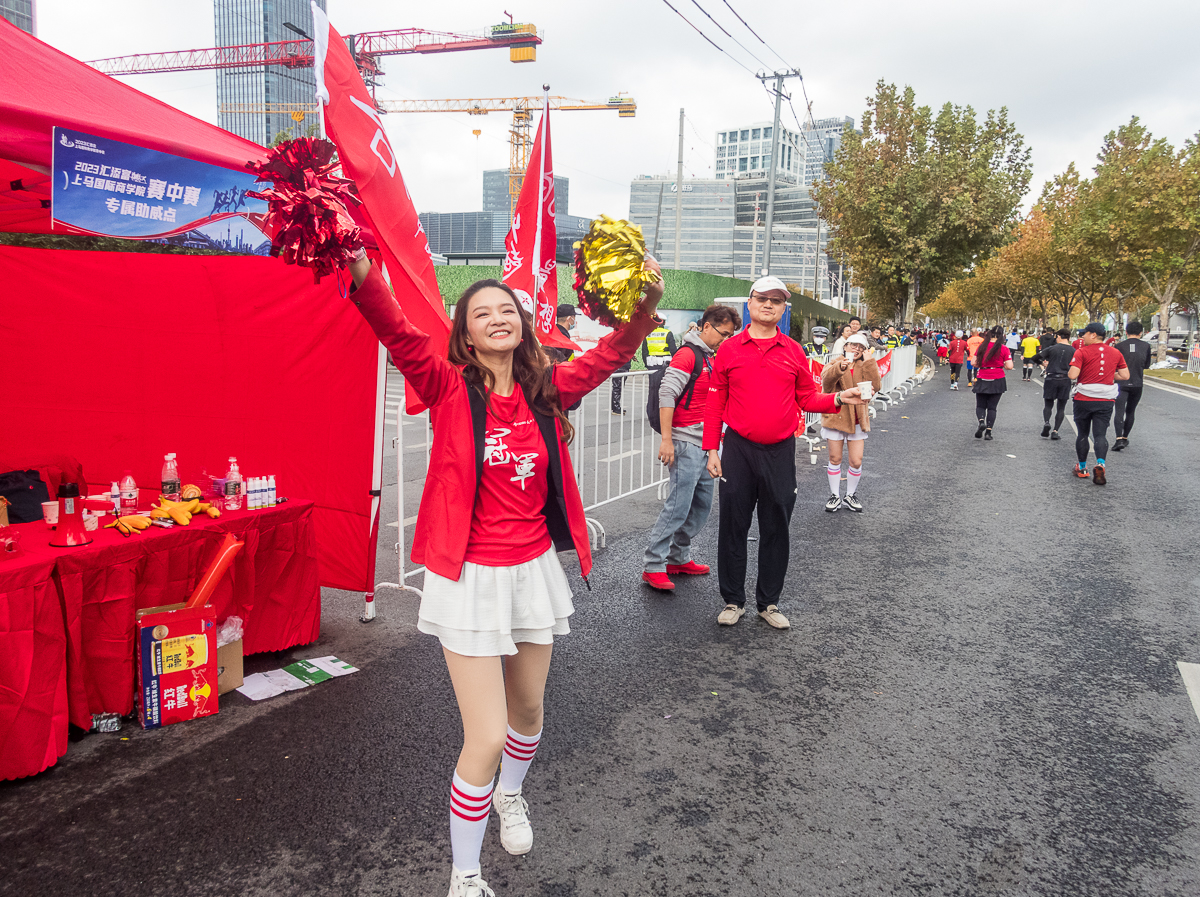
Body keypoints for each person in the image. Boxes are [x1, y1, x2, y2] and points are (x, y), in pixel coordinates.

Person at [345, 249, 664, 897]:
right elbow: (398, 333)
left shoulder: (549, 388)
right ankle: (465, 872)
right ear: (465, 333)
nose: (498, 318)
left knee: (528, 711)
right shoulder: (445, 385)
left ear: (523, 323)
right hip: (468, 579)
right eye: (481, 313)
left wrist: (645, 306)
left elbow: (608, 357)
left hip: (532, 573)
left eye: (507, 310)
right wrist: (362, 272)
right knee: (485, 734)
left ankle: (509, 796)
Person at [702, 276, 864, 630]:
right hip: (738, 450)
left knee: (776, 527)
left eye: (776, 300)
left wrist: (839, 398)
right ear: (750, 302)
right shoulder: (729, 349)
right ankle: (733, 599)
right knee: (733, 524)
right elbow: (715, 402)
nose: (768, 305)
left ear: (782, 308)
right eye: (762, 298)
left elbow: (807, 398)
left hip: (779, 450)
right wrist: (711, 449)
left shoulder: (793, 350)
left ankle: (769, 603)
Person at [642, 304, 741, 591]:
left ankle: (678, 557)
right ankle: (653, 564)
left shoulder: (708, 357)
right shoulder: (688, 354)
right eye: (723, 333)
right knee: (678, 507)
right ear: (706, 327)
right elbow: (667, 393)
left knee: (700, 507)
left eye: (729, 335)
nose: (725, 339)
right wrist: (667, 440)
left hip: (705, 443)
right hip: (684, 442)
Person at [820, 333, 881, 512]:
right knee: (835, 458)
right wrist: (840, 367)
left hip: (857, 418)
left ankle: (850, 495)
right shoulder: (835, 362)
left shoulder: (865, 364)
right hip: (836, 416)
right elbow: (825, 383)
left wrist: (870, 361)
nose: (856, 349)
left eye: (860, 347)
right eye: (853, 345)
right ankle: (834, 496)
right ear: (845, 346)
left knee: (856, 460)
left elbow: (876, 386)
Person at [1069, 322, 1129, 484]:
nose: (1083, 337)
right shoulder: (1116, 352)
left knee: (1082, 433)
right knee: (1100, 434)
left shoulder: (1081, 352)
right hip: (1105, 399)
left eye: (1085, 334)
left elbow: (1073, 375)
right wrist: (1108, 376)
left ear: (1093, 335)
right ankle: (1100, 463)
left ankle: (1082, 467)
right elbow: (1125, 375)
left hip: (1084, 398)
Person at [1113, 321, 1153, 451]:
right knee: (1130, 411)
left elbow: (1114, 364)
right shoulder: (1146, 346)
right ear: (1141, 332)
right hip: (1137, 382)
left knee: (1119, 410)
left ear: (1126, 332)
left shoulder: (1119, 346)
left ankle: (1118, 438)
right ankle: (1125, 437)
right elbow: (1146, 365)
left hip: (1121, 382)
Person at [971, 325, 1013, 440]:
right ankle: (988, 432)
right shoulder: (1004, 348)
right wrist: (1002, 364)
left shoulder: (982, 346)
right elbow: (1009, 366)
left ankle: (981, 421)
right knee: (992, 407)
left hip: (982, 376)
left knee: (980, 405)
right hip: (997, 378)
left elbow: (974, 362)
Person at [1036, 328, 1074, 439]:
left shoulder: (1052, 348)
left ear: (1059, 336)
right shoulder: (1073, 351)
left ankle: (1047, 422)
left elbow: (1035, 358)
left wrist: (1044, 365)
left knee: (1048, 404)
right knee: (1061, 407)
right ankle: (1055, 431)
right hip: (1065, 379)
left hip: (1051, 378)